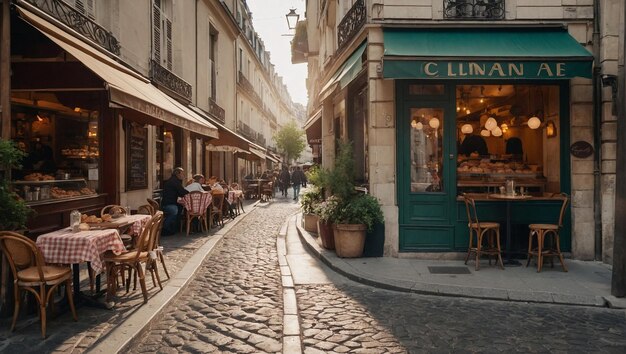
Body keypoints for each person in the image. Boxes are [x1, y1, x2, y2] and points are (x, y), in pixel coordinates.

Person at [161, 167, 189, 236]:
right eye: (182, 174)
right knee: (174, 211)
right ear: (177, 174)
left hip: (170, 202)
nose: (183, 175)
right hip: (168, 204)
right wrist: (190, 193)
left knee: (180, 207)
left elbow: (180, 192)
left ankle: (175, 228)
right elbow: (182, 192)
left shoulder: (174, 180)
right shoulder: (174, 181)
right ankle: (165, 228)